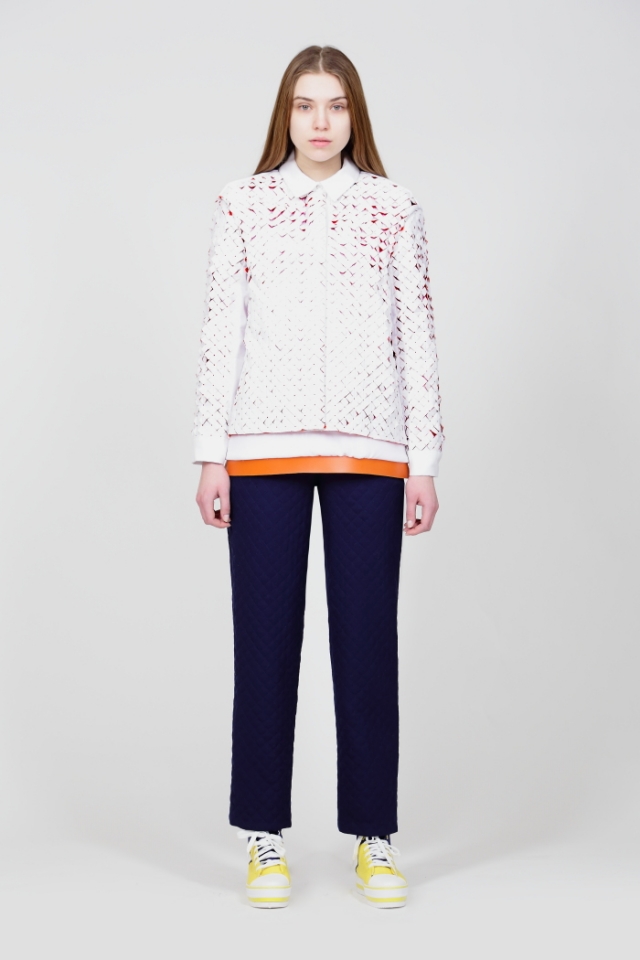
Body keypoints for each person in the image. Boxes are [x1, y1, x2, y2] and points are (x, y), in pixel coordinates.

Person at [192, 45, 445, 909]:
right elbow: (221, 328)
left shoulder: (393, 208)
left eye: (335, 105)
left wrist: (424, 462)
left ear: (354, 115)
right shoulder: (243, 204)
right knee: (264, 644)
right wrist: (210, 452)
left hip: (372, 453)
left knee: (368, 644)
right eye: (305, 105)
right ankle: (264, 836)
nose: (321, 121)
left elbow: (418, 334)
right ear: (286, 115)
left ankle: (375, 836)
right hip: (260, 448)